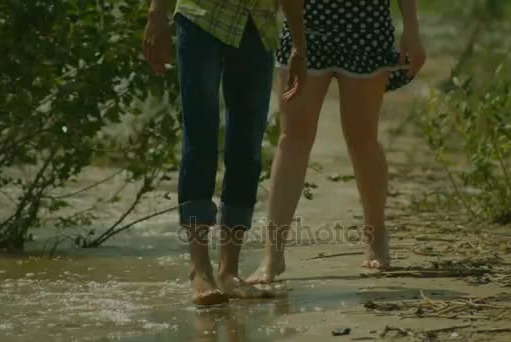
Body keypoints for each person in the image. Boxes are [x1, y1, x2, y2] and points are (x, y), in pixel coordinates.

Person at [247, 0, 426, 284]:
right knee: (292, 139)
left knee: (362, 138)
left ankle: (376, 234)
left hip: (366, 25)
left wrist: (412, 29)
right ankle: (272, 254)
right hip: (303, 27)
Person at [142, 0, 307, 305]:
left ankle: (229, 271)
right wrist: (157, 14)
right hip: (201, 16)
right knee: (200, 138)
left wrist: (299, 43)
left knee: (246, 148)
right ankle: (200, 270)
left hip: (257, 26)